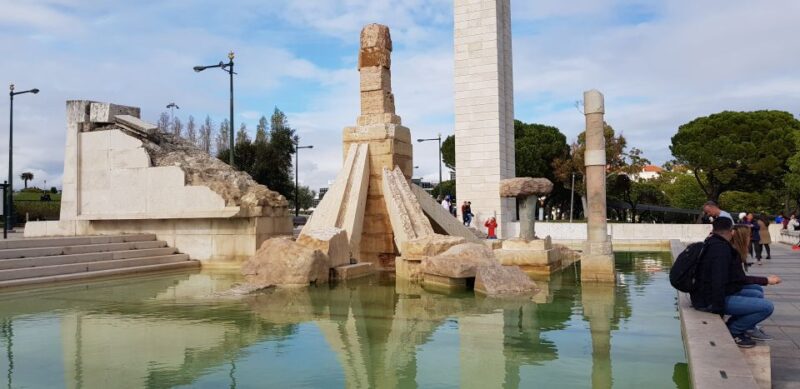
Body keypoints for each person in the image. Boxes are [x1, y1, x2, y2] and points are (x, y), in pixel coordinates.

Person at [690, 217, 778, 347]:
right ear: (731, 232)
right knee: (767, 307)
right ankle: (734, 330)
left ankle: (743, 326)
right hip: (709, 300)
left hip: (705, 295)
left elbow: (731, 279)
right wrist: (718, 310)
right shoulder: (722, 250)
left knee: (756, 292)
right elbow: (719, 282)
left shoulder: (713, 243)